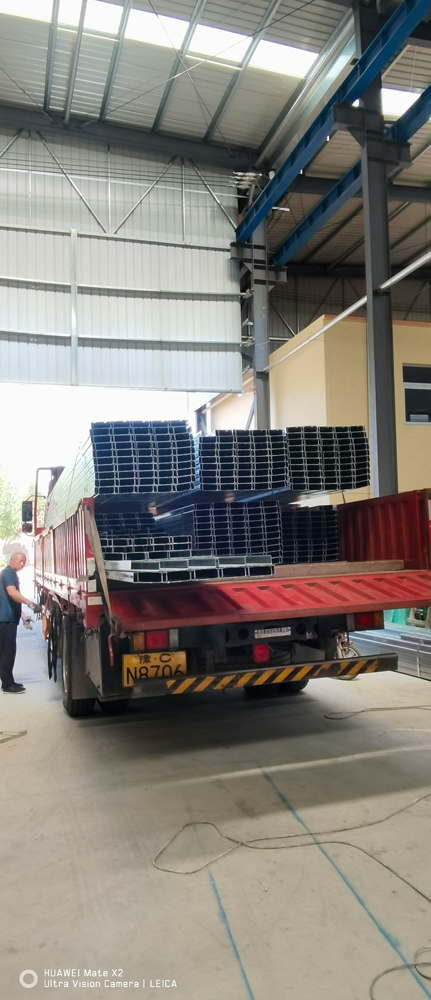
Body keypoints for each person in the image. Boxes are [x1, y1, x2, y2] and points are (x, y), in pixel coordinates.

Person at [0, 552, 42, 694]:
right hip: (5, 620)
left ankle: (8, 681)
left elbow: (9, 600)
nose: (22, 564)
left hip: (8, 618)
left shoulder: (9, 573)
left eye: (24, 561)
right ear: (11, 560)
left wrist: (23, 615)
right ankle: (7, 684)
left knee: (7, 651)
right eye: (19, 561)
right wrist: (30, 603)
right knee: (7, 651)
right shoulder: (8, 573)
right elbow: (12, 593)